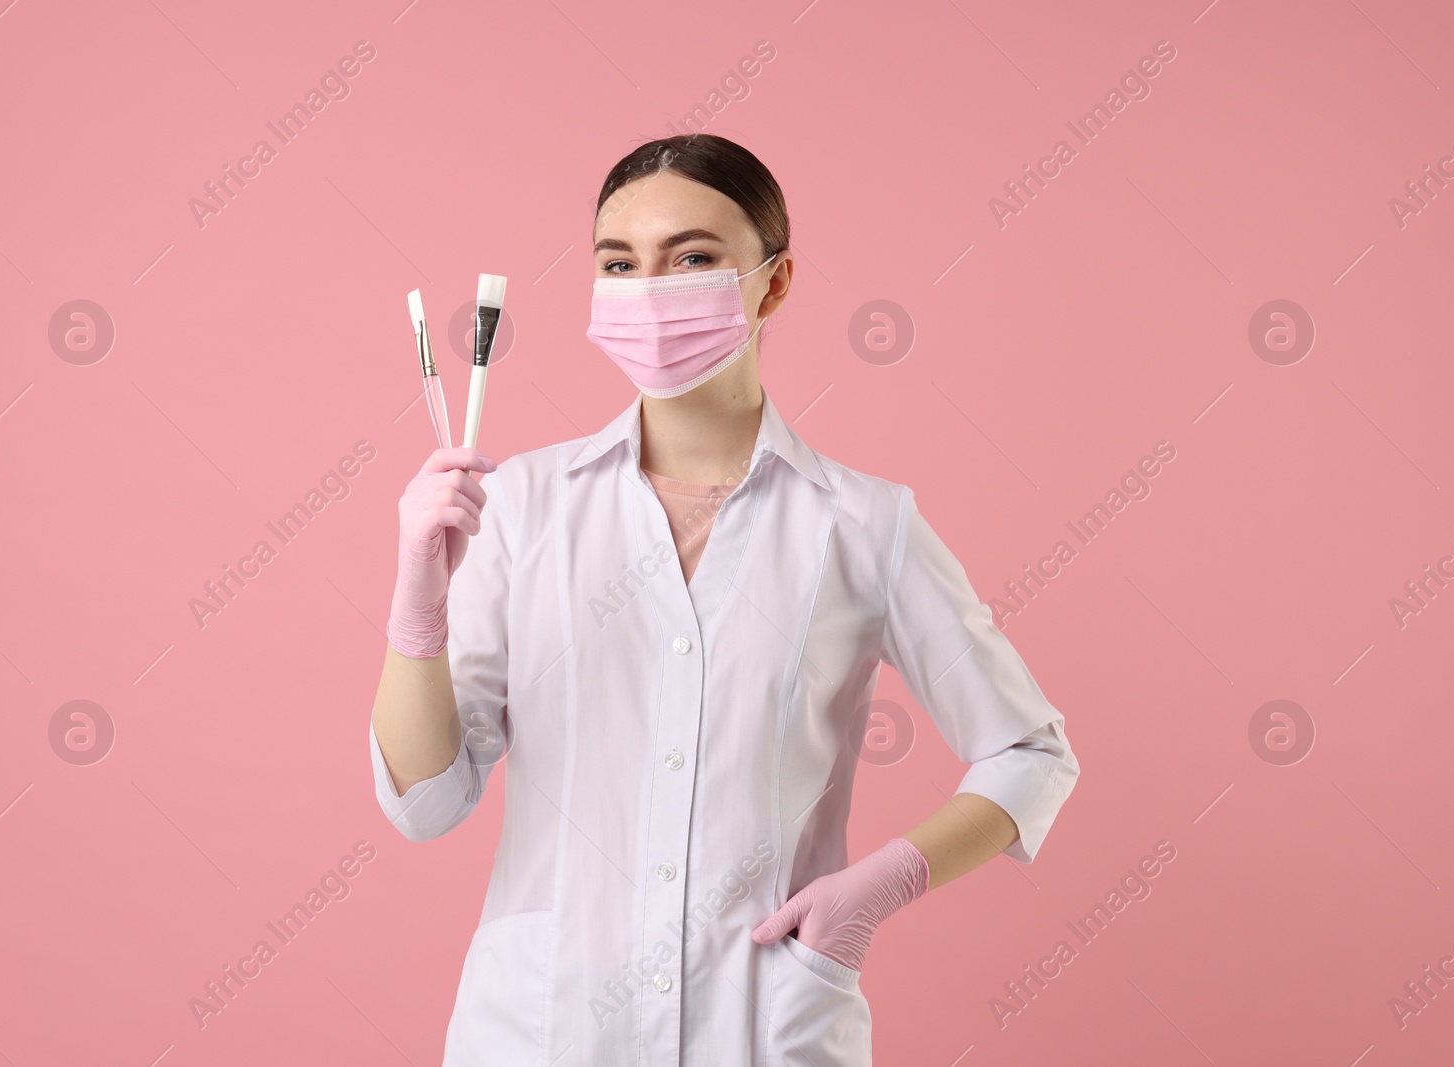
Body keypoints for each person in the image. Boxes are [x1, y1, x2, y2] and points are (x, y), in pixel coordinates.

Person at [368, 133, 1080, 1067]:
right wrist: (418, 599)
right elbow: (425, 803)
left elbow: (1029, 754)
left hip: (764, 1031)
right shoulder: (522, 507)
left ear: (773, 283)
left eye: (694, 258)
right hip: (543, 1033)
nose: (651, 292)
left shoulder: (863, 524)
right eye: (620, 263)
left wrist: (873, 890)